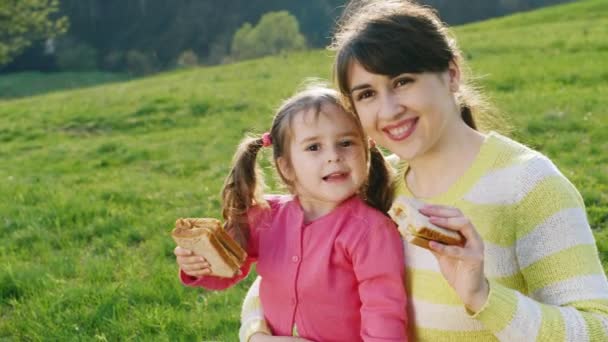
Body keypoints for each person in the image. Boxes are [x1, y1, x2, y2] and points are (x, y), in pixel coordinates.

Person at [240, 1, 608, 341]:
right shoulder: (378, 185)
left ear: (451, 74)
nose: (388, 110)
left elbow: (597, 329)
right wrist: (256, 332)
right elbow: (292, 271)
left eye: (402, 81)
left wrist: (482, 296)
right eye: (367, 94)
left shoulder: (528, 184)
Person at [175, 85, 408, 341]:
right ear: (286, 167)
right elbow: (228, 271)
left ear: (366, 150)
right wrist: (199, 266)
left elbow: (384, 311)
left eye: (346, 143)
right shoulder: (265, 216)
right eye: (313, 147)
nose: (334, 156)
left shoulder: (369, 230)